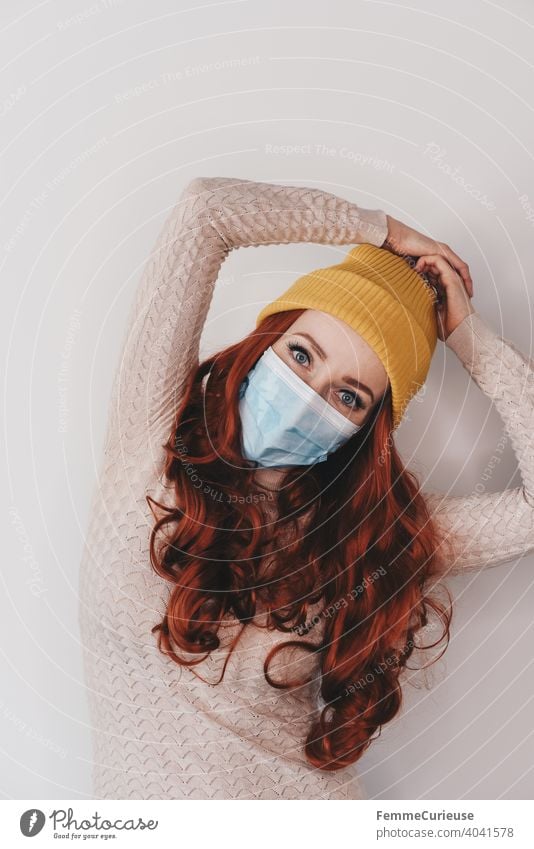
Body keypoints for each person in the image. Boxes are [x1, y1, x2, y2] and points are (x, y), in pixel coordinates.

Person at [78, 176, 534, 800]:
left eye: (349, 395)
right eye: (301, 354)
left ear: (366, 430)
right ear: (267, 340)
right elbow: (206, 213)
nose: (307, 396)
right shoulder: (152, 437)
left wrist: (468, 338)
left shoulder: (365, 538)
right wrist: (380, 229)